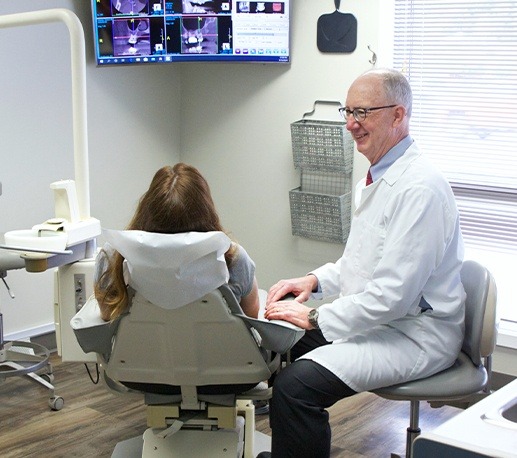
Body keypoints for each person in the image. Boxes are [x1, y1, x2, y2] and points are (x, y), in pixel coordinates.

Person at [260, 68, 466, 458]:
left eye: (364, 113)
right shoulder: (376, 177)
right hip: (381, 320)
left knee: (295, 387)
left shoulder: (419, 189)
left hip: (414, 334)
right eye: (348, 111)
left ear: (398, 115)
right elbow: (361, 263)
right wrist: (312, 281)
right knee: (277, 337)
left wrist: (317, 318)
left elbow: (392, 296)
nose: (352, 124)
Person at [94, 163, 260, 321]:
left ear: (146, 209)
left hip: (140, 350)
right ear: (207, 212)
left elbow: (107, 316)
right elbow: (249, 322)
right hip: (216, 351)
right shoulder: (235, 259)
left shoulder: (113, 258)